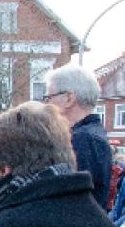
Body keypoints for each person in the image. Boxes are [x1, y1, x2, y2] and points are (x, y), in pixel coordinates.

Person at [45, 64, 112, 208]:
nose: (48, 104)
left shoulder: (83, 139)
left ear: (69, 98)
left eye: (49, 97)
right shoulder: (91, 134)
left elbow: (72, 201)